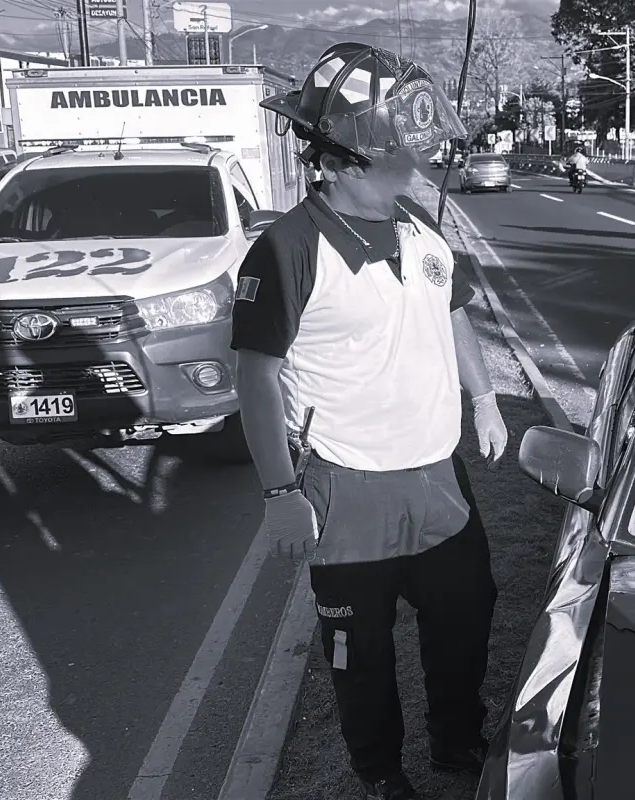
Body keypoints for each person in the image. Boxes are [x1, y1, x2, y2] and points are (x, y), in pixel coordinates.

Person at [231, 42, 508, 800]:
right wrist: (279, 492)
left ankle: (456, 741)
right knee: (361, 649)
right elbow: (253, 374)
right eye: (406, 148)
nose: (423, 160)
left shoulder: (419, 226)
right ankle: (381, 773)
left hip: (435, 476)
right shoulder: (285, 250)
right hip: (344, 484)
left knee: (466, 615)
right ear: (350, 158)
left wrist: (482, 397)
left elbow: (452, 313)